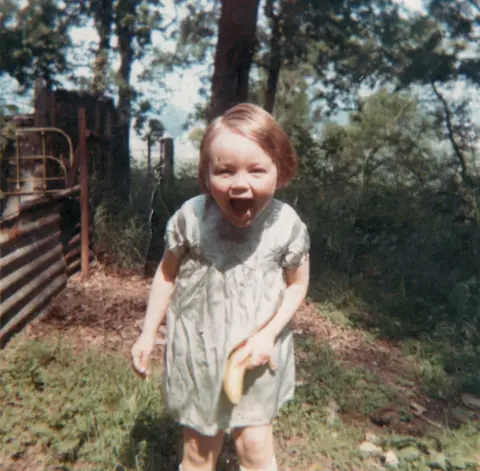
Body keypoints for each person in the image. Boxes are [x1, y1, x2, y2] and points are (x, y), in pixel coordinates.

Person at [131, 102, 310, 471]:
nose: (240, 183)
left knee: (255, 448)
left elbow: (297, 286)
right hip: (198, 353)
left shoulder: (285, 224)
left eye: (257, 170)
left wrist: (268, 336)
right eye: (225, 171)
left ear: (280, 170)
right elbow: (166, 275)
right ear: (206, 173)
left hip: (257, 353)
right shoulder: (191, 219)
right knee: (199, 452)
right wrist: (148, 333)